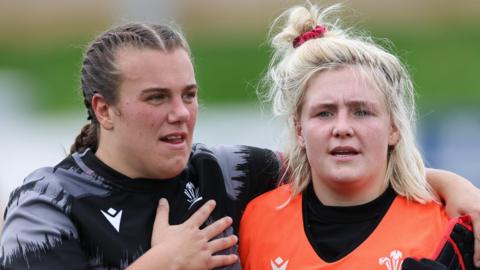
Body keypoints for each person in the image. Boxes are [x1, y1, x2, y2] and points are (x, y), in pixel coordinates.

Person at [0, 22, 478, 270]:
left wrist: (453, 188)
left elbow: (346, 166)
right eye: (156, 98)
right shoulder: (47, 205)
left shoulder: (226, 172)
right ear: (103, 110)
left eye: (189, 95)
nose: (181, 113)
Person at [239, 3, 479, 270]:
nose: (342, 128)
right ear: (299, 130)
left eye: (362, 112)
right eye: (324, 113)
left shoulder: (446, 229)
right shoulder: (256, 221)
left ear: (394, 128)